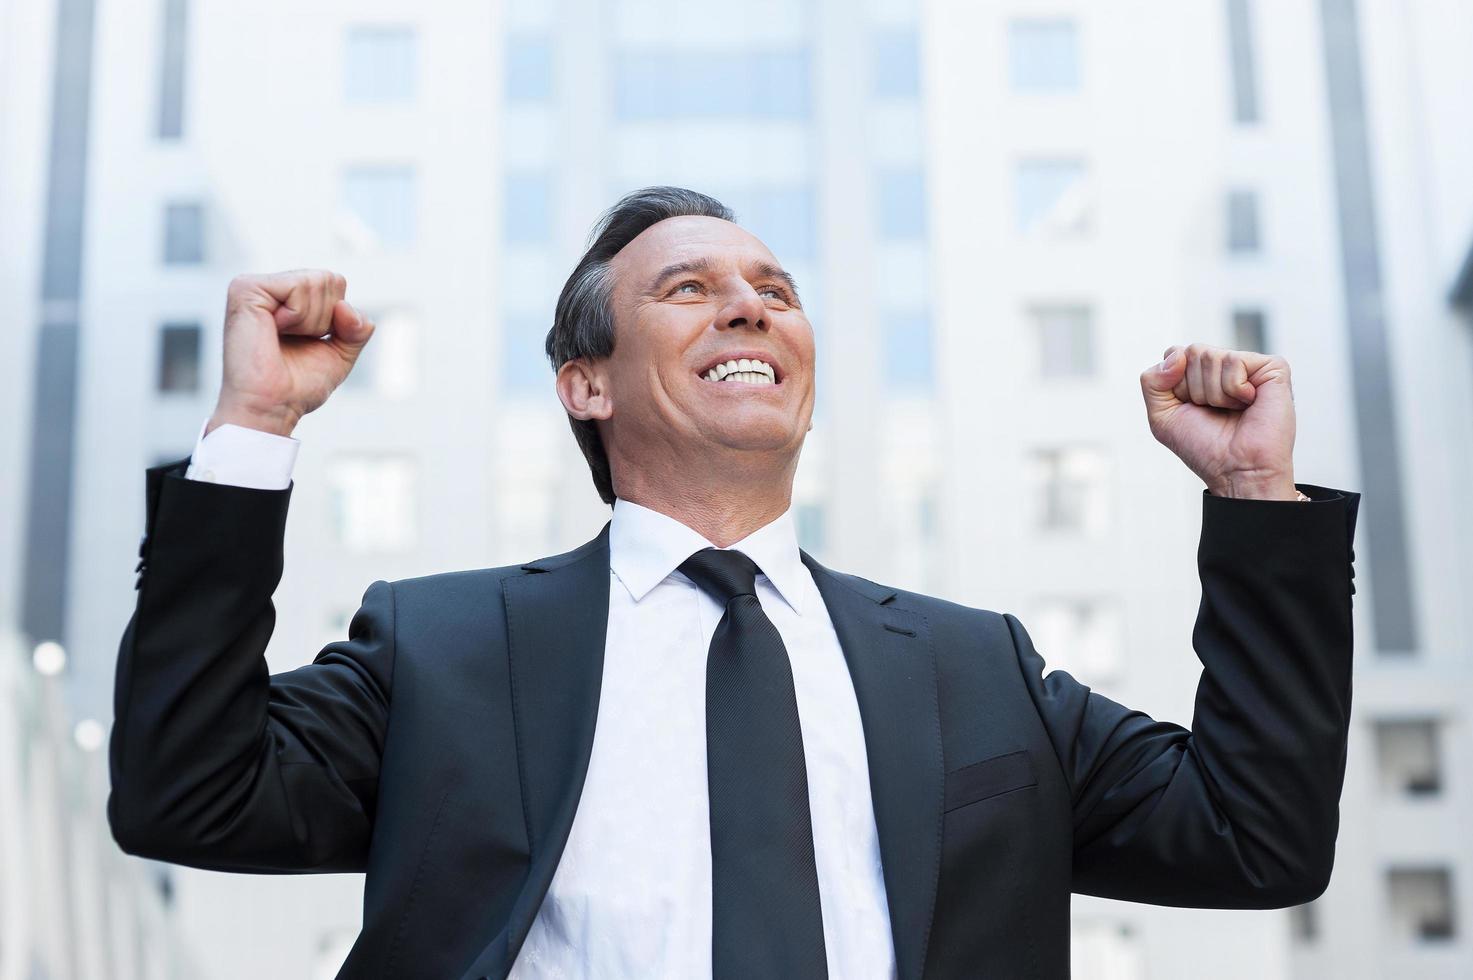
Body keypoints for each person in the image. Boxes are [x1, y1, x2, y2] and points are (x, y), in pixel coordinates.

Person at [109, 186, 1360, 980]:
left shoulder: (976, 667)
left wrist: (1255, 499)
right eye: (689, 290)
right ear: (586, 383)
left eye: (775, 292)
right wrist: (253, 427)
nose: (750, 311)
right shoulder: (444, 647)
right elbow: (189, 795)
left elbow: (1256, 838)